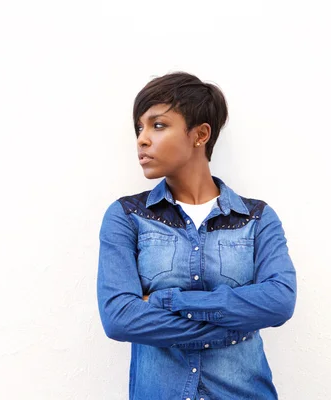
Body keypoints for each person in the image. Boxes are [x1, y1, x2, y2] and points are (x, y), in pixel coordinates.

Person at [97, 72, 297, 400]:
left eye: (158, 125)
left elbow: (278, 301)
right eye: (139, 128)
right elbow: (119, 318)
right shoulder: (127, 217)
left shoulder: (257, 218)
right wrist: (236, 324)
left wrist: (167, 301)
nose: (142, 139)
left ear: (200, 134)